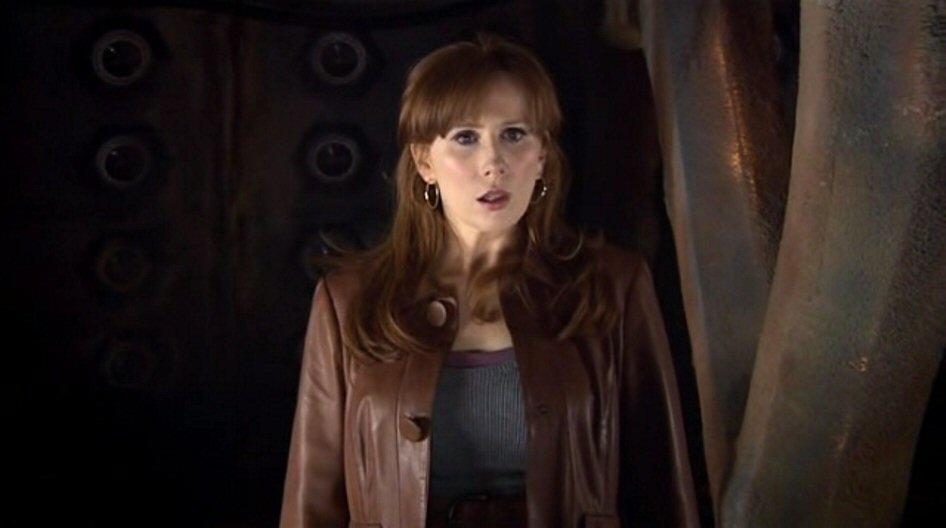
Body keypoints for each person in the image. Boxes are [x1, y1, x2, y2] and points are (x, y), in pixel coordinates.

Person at [279, 33, 699, 527]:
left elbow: (660, 489)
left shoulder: (612, 286)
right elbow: (312, 503)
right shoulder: (349, 302)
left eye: (514, 134)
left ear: (542, 156)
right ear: (424, 162)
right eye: (465, 137)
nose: (493, 164)